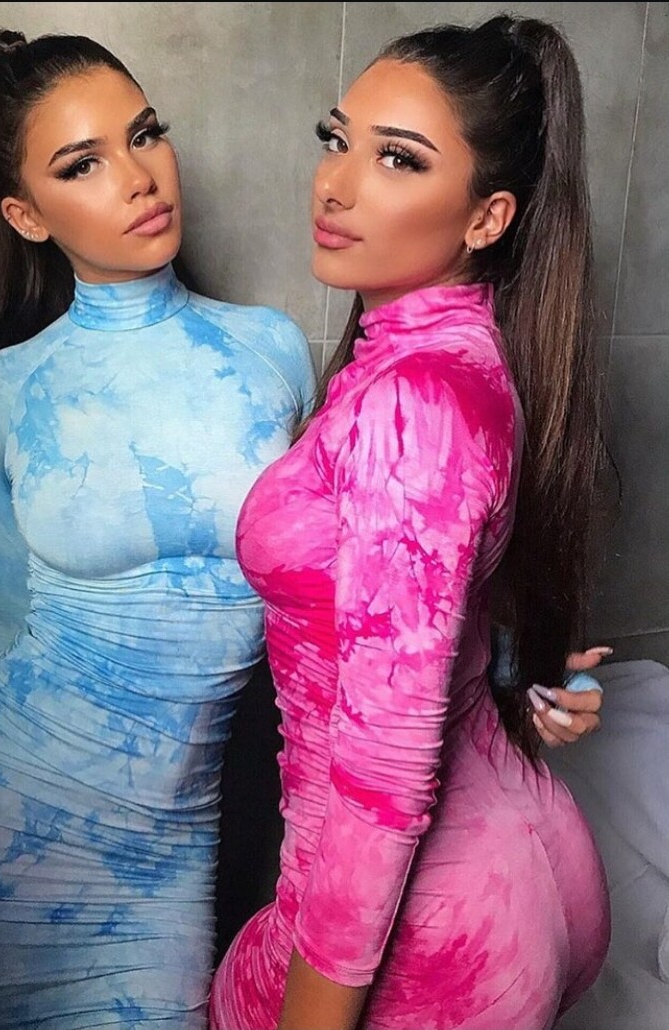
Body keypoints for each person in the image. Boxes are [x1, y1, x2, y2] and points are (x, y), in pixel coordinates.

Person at [0, 29, 316, 1029]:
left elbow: (343, 579)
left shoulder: (271, 350)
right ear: (26, 215)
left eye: (144, 133)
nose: (139, 176)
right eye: (83, 164)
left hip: (168, 852)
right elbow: (0, 633)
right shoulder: (6, 389)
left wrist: (510, 662)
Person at [210, 15, 610, 1030]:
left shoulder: (415, 400)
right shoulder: (456, 361)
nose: (335, 185)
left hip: (431, 934)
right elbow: (446, 597)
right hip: (502, 870)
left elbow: (384, 773)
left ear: (487, 218)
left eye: (398, 159)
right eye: (336, 140)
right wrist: (524, 667)